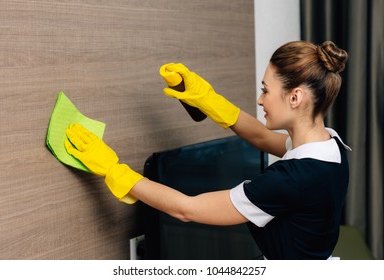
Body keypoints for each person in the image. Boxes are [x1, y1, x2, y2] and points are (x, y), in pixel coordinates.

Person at [64, 40, 350, 259]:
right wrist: (207, 99)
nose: (260, 100)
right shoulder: (328, 146)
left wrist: (113, 170)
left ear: (295, 97)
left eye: (265, 90)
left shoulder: (291, 178)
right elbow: (262, 138)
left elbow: (187, 209)